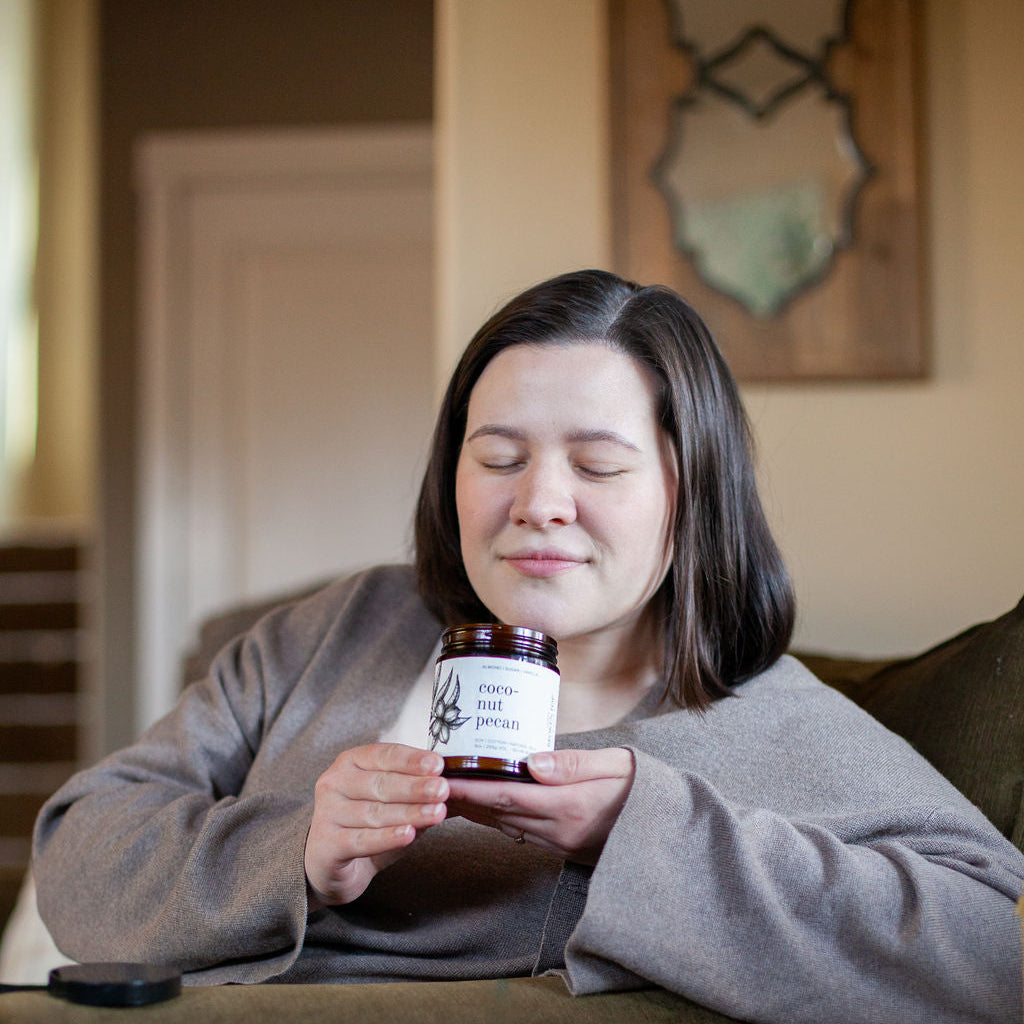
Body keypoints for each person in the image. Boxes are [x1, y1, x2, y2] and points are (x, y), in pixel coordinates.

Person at [32, 270, 1023, 1022]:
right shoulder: (338, 630)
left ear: (692, 495)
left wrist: (642, 832)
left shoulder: (771, 718)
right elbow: (79, 849)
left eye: (597, 464)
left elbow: (994, 953)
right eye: (497, 457)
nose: (537, 502)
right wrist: (294, 852)